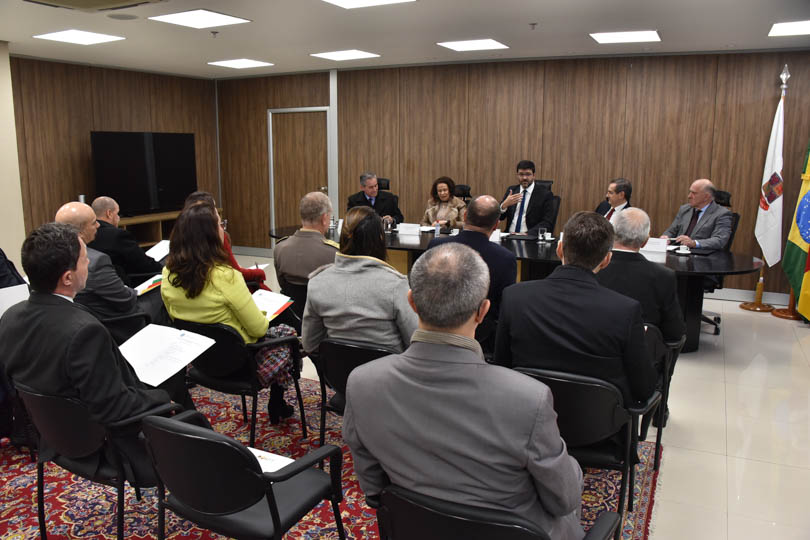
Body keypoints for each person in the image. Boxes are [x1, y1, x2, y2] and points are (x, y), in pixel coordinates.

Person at [343, 243, 584, 540]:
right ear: (483, 311)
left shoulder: (362, 382)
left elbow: (373, 487)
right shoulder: (529, 398)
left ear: (412, 302)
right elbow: (564, 499)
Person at [0, 223, 174, 484]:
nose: (89, 266)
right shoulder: (83, 330)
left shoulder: (10, 317)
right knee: (191, 421)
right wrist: (163, 399)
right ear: (68, 277)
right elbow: (114, 408)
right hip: (101, 445)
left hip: (53, 437)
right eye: (84, 261)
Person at [494, 211, 657, 406]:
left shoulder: (515, 297)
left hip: (525, 413)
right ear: (606, 260)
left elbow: (502, 367)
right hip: (598, 427)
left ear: (560, 249)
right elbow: (644, 388)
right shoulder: (626, 311)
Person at [160, 203, 296, 423]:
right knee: (288, 333)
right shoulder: (226, 276)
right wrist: (260, 313)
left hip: (200, 361)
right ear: (212, 234)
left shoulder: (168, 274)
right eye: (219, 223)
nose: (223, 227)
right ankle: (277, 401)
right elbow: (259, 329)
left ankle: (278, 403)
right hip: (241, 364)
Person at [303, 206, 417, 355]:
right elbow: (415, 342)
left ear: (342, 239)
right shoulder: (396, 285)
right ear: (380, 239)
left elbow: (310, 345)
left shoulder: (317, 282)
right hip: (387, 375)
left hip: (338, 377)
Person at [55, 202, 164, 339]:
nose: (98, 225)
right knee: (161, 289)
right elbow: (126, 300)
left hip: (80, 321)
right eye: (94, 223)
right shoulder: (95, 262)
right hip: (115, 323)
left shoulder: (52, 258)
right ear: (81, 232)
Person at [428, 195, 516, 350]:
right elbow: (504, 309)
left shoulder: (436, 246)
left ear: (465, 216)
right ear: (496, 225)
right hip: (481, 340)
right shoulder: (505, 258)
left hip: (435, 333)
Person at [597, 208, 685, 342]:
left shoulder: (593, 267)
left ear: (612, 234)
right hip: (641, 355)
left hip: (593, 349)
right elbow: (674, 332)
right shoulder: (664, 276)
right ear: (645, 241)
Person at [183, 191, 270, 291]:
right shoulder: (218, 236)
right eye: (213, 208)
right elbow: (236, 273)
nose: (216, 212)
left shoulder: (182, 242)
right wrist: (259, 272)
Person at [273, 191, 339, 287]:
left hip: (292, 301)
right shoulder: (334, 252)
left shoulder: (279, 248)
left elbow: (282, 284)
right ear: (324, 218)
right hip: (320, 301)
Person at [89, 196, 163, 279]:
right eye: (117, 213)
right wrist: (164, 269)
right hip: (126, 283)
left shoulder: (87, 234)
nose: (119, 218)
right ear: (109, 213)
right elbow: (143, 263)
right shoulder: (117, 235)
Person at [661, 178, 732, 250]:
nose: (689, 196)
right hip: (678, 253)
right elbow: (671, 230)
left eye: (694, 193)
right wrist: (666, 237)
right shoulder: (685, 209)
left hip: (703, 257)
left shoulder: (722, 214)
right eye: (690, 192)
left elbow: (720, 240)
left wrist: (694, 243)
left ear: (706, 197)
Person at [499, 160, 555, 234]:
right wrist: (504, 206)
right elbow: (500, 217)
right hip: (509, 236)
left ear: (534, 175)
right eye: (521, 174)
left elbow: (547, 223)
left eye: (528, 174)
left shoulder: (545, 194)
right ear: (517, 175)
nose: (524, 178)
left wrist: (527, 234)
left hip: (530, 238)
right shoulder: (512, 191)